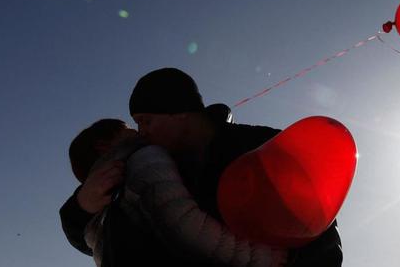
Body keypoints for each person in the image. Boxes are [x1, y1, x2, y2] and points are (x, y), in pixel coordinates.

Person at [128, 68, 343, 266]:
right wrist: (91, 208)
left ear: (177, 110)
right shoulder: (163, 173)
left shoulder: (263, 144)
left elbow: (317, 227)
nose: (141, 132)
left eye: (145, 121)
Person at [61, 107, 286, 266]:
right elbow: (187, 225)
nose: (139, 131)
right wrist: (263, 257)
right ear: (103, 145)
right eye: (130, 127)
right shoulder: (142, 158)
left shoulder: (100, 213)